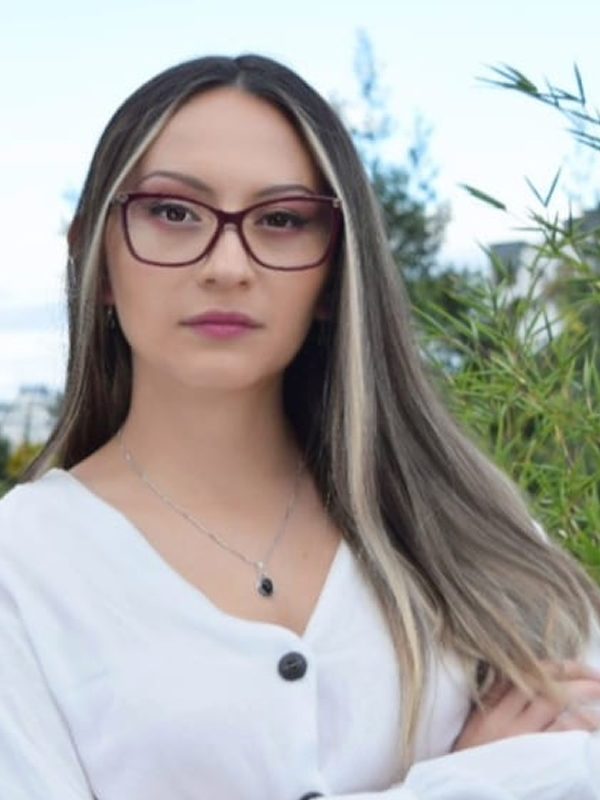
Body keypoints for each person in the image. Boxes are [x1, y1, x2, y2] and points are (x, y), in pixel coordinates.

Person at [0, 53, 599, 800]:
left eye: (282, 220)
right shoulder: (23, 569)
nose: (227, 265)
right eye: (173, 212)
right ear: (95, 254)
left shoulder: (471, 531)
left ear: (333, 273)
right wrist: (472, 783)